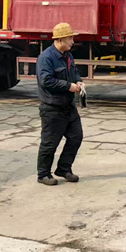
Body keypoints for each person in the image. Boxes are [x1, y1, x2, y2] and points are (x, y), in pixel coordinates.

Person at [36, 22, 85, 186]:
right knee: (50, 143)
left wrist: (78, 81)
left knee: (76, 136)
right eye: (69, 38)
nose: (72, 41)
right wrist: (68, 86)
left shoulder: (68, 55)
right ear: (59, 40)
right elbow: (46, 81)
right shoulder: (46, 58)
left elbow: (74, 72)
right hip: (52, 108)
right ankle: (43, 174)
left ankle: (64, 169)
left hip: (68, 106)